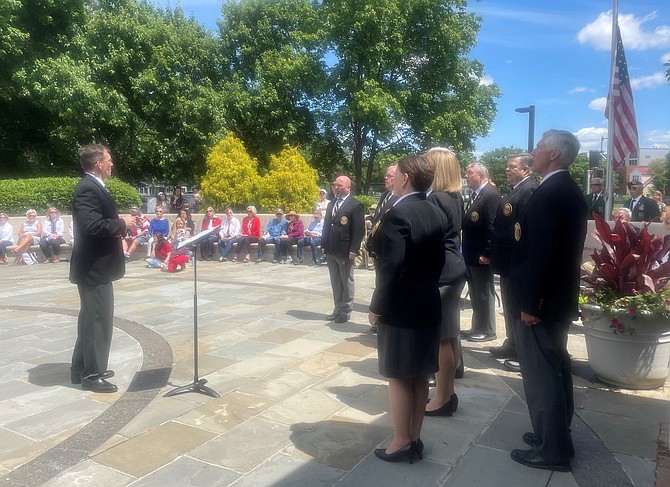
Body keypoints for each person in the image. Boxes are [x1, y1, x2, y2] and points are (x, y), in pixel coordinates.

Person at [509, 129, 587, 472]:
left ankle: (553, 449)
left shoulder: (550, 192)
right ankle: (554, 433)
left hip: (544, 303)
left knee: (542, 376)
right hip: (557, 299)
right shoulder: (564, 188)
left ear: (554, 154)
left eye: (540, 146)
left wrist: (530, 304)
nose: (534, 150)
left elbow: (541, 254)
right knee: (555, 368)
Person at [367, 154, 446, 463]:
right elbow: (438, 261)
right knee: (418, 375)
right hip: (428, 300)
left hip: (401, 306)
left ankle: (401, 441)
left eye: (396, 173)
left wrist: (377, 306)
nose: (394, 178)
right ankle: (414, 439)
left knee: (399, 375)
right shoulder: (435, 210)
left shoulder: (398, 214)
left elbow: (391, 267)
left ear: (405, 178)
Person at [70, 144, 135, 393]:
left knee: (89, 319)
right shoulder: (87, 188)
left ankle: (81, 369)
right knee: (98, 321)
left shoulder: (92, 186)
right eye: (108, 160)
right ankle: (92, 375)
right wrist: (121, 223)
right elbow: (91, 226)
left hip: (93, 267)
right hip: (94, 269)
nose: (111, 164)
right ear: (98, 163)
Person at [422, 148, 467, 417]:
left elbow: (430, 239)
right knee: (448, 336)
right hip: (452, 268)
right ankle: (447, 393)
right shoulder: (453, 196)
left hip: (441, 271)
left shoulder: (437, 198)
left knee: (441, 338)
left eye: (428, 163)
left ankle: (441, 397)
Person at [489, 154, 538, 372]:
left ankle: (522, 351)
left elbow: (523, 229)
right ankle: (512, 343)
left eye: (512, 167)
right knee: (509, 306)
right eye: (507, 166)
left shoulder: (529, 189)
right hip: (507, 261)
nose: (507, 169)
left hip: (516, 261)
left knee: (517, 307)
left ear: (526, 170)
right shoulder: (517, 188)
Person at [461, 163, 501, 342]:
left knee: (484, 292)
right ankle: (477, 326)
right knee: (475, 292)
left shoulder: (490, 195)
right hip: (471, 254)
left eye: (469, 173)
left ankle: (488, 330)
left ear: (481, 175)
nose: (466, 176)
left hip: (481, 256)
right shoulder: (477, 194)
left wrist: (488, 253)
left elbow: (492, 227)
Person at [322, 176, 365, 323]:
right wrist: (324, 244)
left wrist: (354, 249)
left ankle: (346, 311)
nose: (336, 187)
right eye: (335, 185)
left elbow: (358, 230)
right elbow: (328, 225)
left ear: (348, 187)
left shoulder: (355, 205)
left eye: (339, 185)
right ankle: (337, 308)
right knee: (335, 281)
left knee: (346, 281)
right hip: (331, 249)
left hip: (345, 250)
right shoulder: (332, 203)